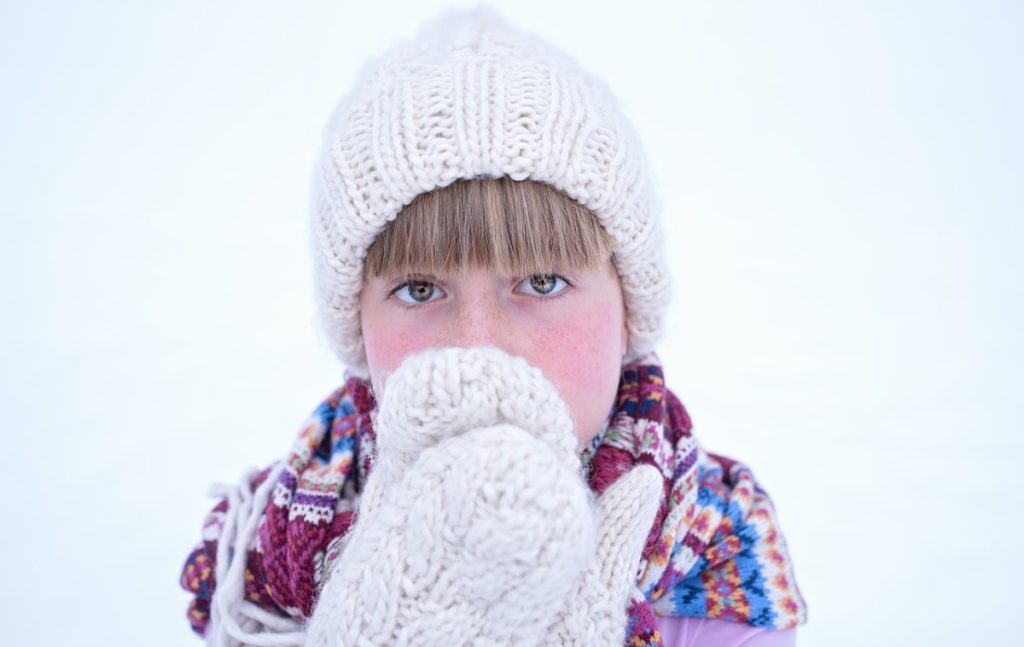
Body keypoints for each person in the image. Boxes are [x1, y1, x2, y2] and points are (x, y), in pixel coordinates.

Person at [179, 4, 808, 645]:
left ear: (628, 313)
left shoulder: (717, 568)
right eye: (420, 289)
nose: (480, 346)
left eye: (541, 282)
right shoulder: (264, 560)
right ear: (358, 331)